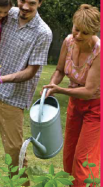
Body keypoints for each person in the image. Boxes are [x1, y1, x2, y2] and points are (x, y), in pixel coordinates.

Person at [0, 0, 53, 186]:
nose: (25, 6)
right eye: (22, 0)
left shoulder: (43, 32)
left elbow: (31, 71)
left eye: (31, 3)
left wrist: (2, 79)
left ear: (40, 3)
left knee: (15, 152)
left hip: (12, 97)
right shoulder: (6, 14)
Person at [42, 4, 100, 187]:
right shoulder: (68, 42)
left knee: (83, 158)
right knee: (68, 155)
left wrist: (61, 91)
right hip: (75, 104)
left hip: (96, 107)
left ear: (93, 32)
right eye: (76, 29)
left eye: (84, 33)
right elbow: (59, 70)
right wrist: (53, 84)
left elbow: (89, 90)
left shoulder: (99, 51)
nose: (78, 36)